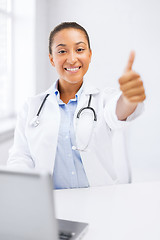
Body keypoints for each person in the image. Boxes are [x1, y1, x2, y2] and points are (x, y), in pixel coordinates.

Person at [8, 22, 146, 189]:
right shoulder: (32, 107)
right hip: (52, 204)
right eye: (62, 51)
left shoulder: (103, 99)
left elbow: (117, 112)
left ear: (89, 54)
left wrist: (129, 98)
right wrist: (20, 190)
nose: (72, 59)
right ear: (52, 58)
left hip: (101, 202)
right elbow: (21, 157)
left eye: (79, 49)